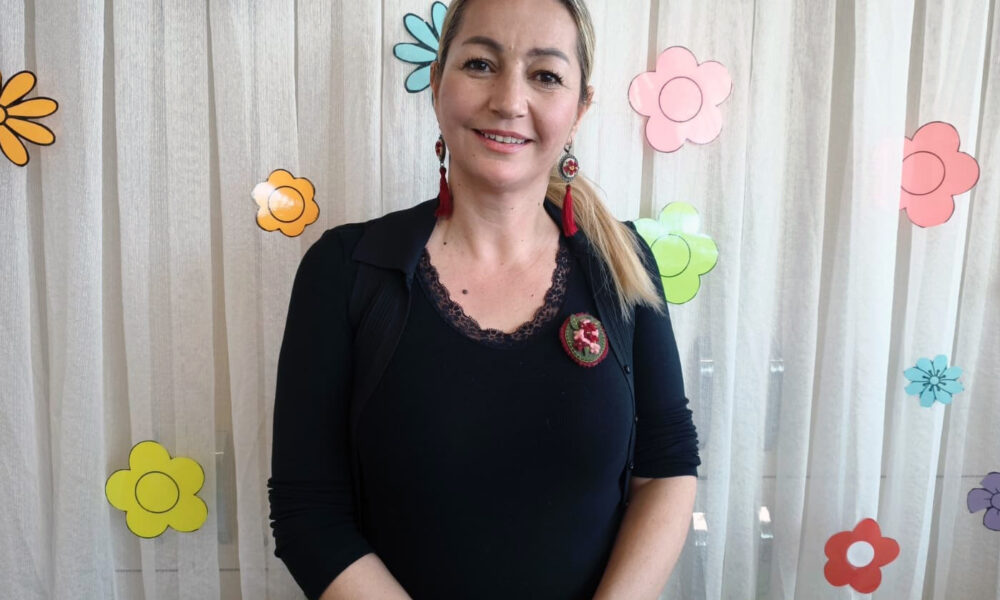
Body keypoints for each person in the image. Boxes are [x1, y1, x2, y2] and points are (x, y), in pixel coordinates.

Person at [267, 1, 700, 598]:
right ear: (437, 81)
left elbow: (666, 467)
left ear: (579, 109)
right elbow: (308, 513)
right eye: (480, 64)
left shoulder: (623, 265)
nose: (509, 100)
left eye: (545, 75)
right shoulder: (346, 270)